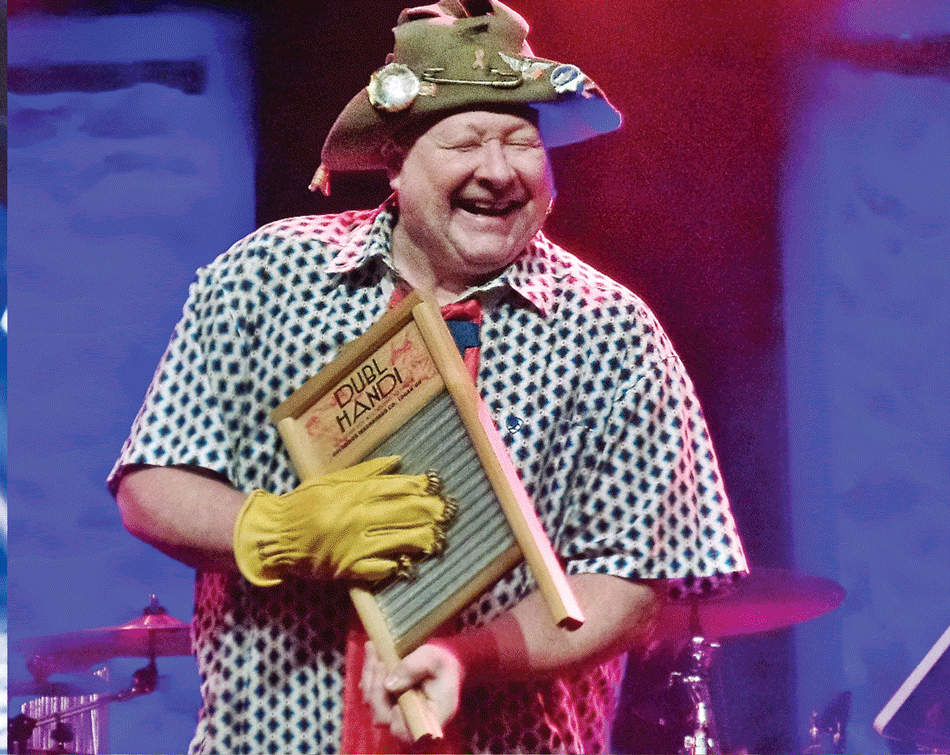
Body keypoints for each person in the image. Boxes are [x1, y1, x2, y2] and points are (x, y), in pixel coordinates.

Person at [110, 1, 748, 753]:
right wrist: (278, 530)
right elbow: (150, 485)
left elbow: (630, 590)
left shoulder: (611, 332)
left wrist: (463, 656)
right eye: (468, 141)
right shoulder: (263, 278)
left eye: (520, 141)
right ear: (394, 158)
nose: (499, 170)